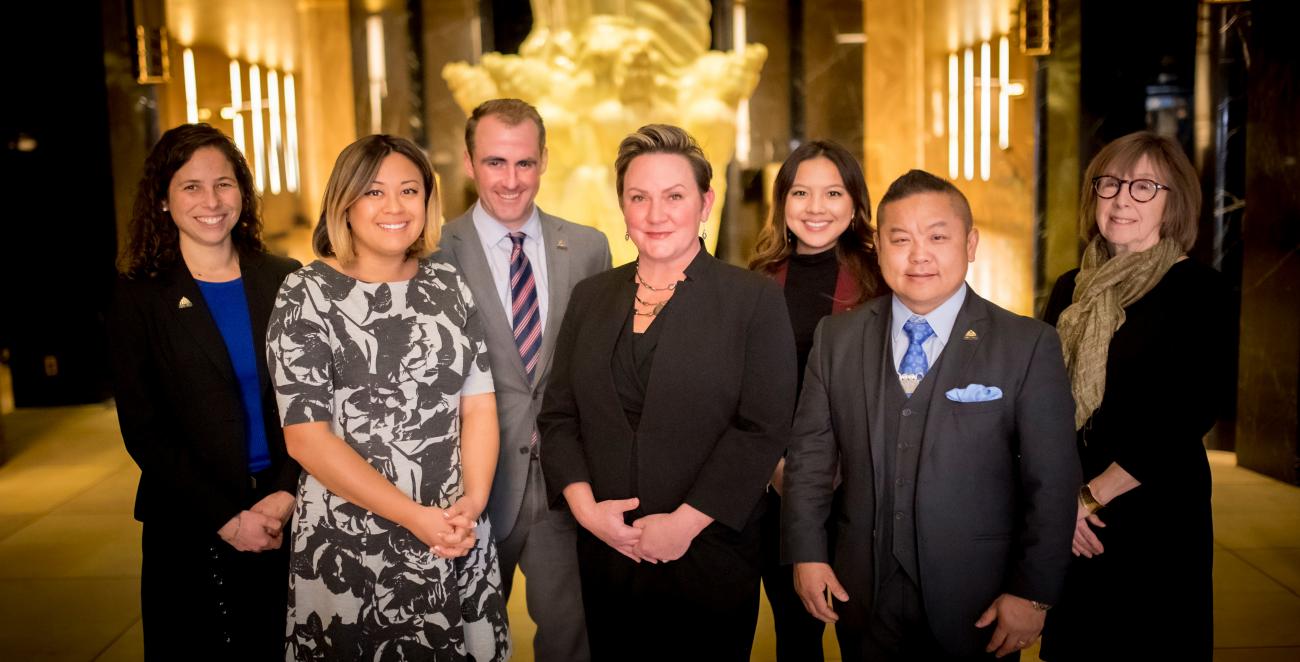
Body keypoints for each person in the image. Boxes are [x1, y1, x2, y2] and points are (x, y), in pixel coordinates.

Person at [782, 169, 1081, 661]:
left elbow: (1051, 480)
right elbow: (810, 458)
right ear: (879, 246)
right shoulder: (836, 339)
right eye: (900, 239)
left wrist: (1033, 593)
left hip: (979, 597)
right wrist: (807, 553)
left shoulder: (1026, 345)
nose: (919, 255)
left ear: (971, 242)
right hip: (862, 590)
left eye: (938, 237)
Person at [539, 124, 797, 661]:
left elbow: (762, 428)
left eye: (674, 196)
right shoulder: (591, 297)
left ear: (705, 203)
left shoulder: (752, 300)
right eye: (640, 197)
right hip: (608, 551)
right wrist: (587, 512)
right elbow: (559, 416)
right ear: (623, 207)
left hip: (708, 552)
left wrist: (684, 524)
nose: (656, 214)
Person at [267, 135, 509, 660]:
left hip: (454, 528)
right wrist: (413, 516)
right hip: (353, 539)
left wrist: (473, 501)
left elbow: (479, 405)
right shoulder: (306, 293)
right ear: (345, 203)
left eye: (409, 191)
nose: (396, 207)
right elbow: (307, 440)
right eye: (375, 193)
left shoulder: (447, 284)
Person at [108, 123, 302, 658]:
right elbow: (145, 430)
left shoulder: (287, 280)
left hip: (286, 513)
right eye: (191, 186)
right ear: (164, 200)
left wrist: (285, 493)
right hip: (190, 524)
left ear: (242, 191)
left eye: (224, 183)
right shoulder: (138, 297)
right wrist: (228, 518)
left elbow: (313, 400)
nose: (211, 200)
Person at [1039, 131, 1229, 662]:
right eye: (1111, 184)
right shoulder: (1069, 287)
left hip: (1154, 513)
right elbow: (1044, 402)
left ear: (1173, 203)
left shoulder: (1198, 291)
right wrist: (1060, 501)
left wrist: (1090, 497)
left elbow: (1189, 412)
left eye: (1145, 186)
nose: (1123, 198)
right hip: (1071, 516)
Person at [440, 98, 610, 662]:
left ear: (543, 161)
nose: (510, 181)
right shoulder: (434, 253)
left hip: (565, 488)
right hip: (469, 490)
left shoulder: (588, 247)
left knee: (571, 641)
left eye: (524, 163)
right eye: (494, 163)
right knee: (469, 643)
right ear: (469, 163)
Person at [748, 139, 886, 661]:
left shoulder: (883, 279)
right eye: (801, 192)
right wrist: (776, 467)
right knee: (795, 637)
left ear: (855, 203)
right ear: (782, 201)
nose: (815, 207)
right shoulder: (756, 280)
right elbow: (745, 389)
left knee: (865, 632)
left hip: (862, 489)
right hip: (778, 489)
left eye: (832, 193)